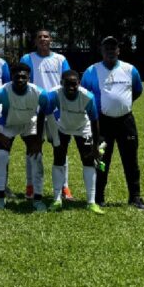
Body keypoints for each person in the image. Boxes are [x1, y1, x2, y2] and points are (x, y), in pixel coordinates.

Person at [81, 36, 144, 210]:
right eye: (107, 48)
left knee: (131, 160)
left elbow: (137, 90)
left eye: (114, 47)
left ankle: (135, 197)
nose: (110, 51)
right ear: (101, 51)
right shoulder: (91, 71)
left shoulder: (130, 69)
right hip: (102, 122)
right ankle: (99, 197)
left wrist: (121, 105)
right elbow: (84, 94)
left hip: (126, 121)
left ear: (119, 50)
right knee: (101, 159)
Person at [38, 70, 103, 214]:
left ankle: (91, 202)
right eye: (67, 84)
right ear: (61, 83)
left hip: (83, 129)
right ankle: (57, 199)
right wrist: (40, 137)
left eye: (74, 84)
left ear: (79, 83)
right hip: (63, 127)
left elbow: (94, 121)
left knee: (88, 162)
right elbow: (43, 113)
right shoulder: (54, 94)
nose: (71, 87)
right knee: (58, 160)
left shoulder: (88, 97)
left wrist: (96, 145)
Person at [20, 29, 73, 200]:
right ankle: (31, 186)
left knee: (61, 149)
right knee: (33, 150)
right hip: (33, 112)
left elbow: (67, 82)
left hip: (57, 112)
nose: (43, 39)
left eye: (46, 36)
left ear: (51, 40)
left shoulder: (60, 59)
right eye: (39, 37)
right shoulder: (27, 59)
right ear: (35, 41)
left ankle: (64, 187)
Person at [0, 63, 46, 211]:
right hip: (8, 124)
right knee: (2, 156)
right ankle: (0, 198)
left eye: (23, 76)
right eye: (17, 76)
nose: (20, 79)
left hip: (29, 123)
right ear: (11, 77)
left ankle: (38, 199)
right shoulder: (1, 92)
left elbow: (42, 115)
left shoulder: (39, 92)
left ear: (29, 77)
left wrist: (38, 139)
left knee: (36, 157)